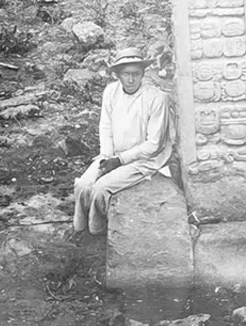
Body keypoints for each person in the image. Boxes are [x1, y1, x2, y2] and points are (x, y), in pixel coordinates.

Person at [73, 46, 173, 235]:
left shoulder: (156, 98)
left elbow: (155, 144)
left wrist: (120, 160)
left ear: (143, 73)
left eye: (136, 74)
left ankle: (97, 230)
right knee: (83, 185)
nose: (131, 79)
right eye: (126, 74)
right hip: (113, 154)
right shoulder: (111, 92)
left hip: (143, 160)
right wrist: (107, 156)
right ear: (118, 75)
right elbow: (106, 126)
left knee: (101, 189)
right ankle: (80, 228)